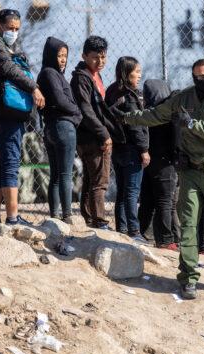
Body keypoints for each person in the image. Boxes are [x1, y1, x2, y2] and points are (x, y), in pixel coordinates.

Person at [115, 58, 204, 300]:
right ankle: (188, 278)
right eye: (198, 78)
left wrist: (191, 124)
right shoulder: (184, 98)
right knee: (188, 225)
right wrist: (127, 118)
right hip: (190, 171)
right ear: (193, 78)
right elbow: (157, 114)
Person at [0, 8, 45, 225]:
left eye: (17, 28)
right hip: (5, 113)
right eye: (10, 28)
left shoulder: (0, 44)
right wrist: (33, 87)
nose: (14, 32)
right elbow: (7, 68)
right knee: (10, 163)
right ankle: (13, 217)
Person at [71, 35, 117, 229]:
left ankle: (90, 217)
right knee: (100, 180)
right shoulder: (82, 78)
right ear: (84, 56)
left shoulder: (94, 76)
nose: (100, 62)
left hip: (94, 135)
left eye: (103, 57)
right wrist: (104, 134)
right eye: (95, 57)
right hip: (92, 137)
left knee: (91, 178)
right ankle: (100, 219)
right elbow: (86, 110)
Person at [37, 37, 82, 223]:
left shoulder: (49, 73)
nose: (63, 59)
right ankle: (67, 215)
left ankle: (55, 215)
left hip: (51, 128)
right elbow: (60, 99)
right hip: (63, 126)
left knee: (55, 174)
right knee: (64, 174)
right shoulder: (50, 74)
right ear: (51, 55)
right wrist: (77, 111)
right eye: (59, 55)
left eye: (65, 55)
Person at [105, 57, 149, 240]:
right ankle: (134, 231)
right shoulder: (130, 95)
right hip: (132, 149)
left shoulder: (112, 91)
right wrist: (144, 149)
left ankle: (122, 229)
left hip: (118, 148)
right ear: (127, 72)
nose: (139, 75)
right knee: (132, 191)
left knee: (122, 190)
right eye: (136, 71)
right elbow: (136, 125)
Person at [138, 79, 179, 250]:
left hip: (150, 162)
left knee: (148, 199)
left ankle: (143, 233)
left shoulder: (148, 113)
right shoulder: (169, 113)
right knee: (165, 201)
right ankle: (166, 240)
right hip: (166, 163)